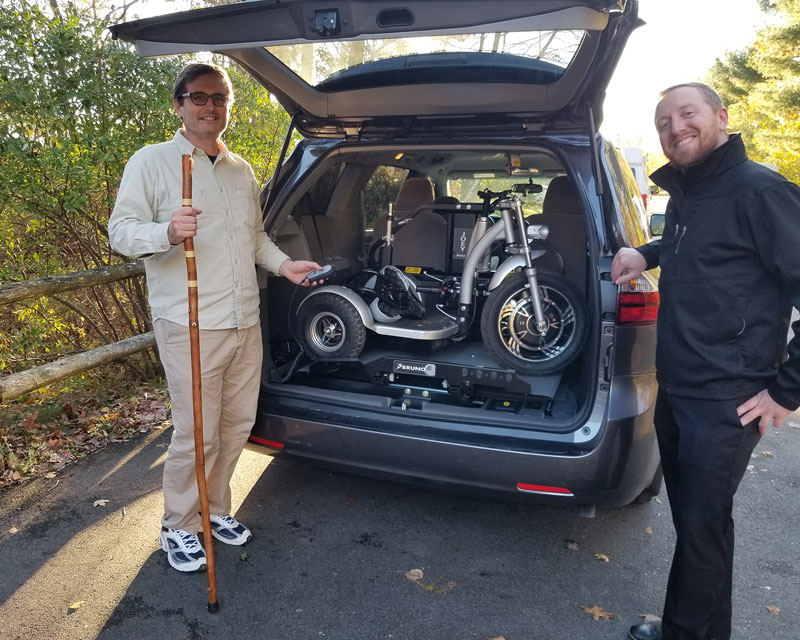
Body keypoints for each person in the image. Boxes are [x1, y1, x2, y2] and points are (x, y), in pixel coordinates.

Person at [109, 63, 321, 572]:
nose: (210, 107)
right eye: (199, 97)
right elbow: (121, 231)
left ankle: (214, 507)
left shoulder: (240, 170)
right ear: (178, 105)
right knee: (197, 432)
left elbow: (254, 238)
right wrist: (165, 233)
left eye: (219, 98)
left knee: (236, 423)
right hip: (189, 322)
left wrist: (284, 265)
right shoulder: (152, 162)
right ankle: (179, 524)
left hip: (243, 318)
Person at [612, 82, 800, 640]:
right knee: (702, 527)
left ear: (721, 116)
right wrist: (645, 253)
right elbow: (698, 249)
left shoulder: (760, 191)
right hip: (679, 387)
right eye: (663, 122)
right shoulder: (690, 192)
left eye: (686, 113)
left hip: (727, 399)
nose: (675, 128)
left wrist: (787, 391)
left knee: (699, 529)